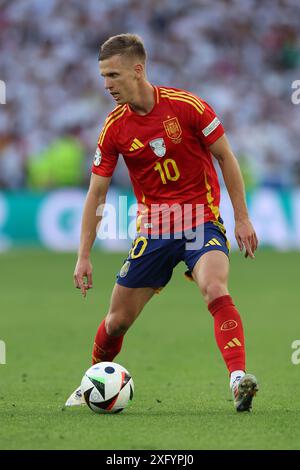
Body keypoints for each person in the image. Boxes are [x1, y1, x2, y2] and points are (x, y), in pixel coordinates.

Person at [65, 33, 259, 412]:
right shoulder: (114, 127)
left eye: (113, 75)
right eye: (104, 76)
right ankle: (92, 382)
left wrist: (243, 218)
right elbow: (96, 194)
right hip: (153, 229)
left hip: (200, 220)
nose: (107, 85)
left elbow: (226, 157)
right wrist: (83, 256)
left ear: (138, 71)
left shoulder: (186, 106)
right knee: (117, 321)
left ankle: (238, 380)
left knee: (215, 287)